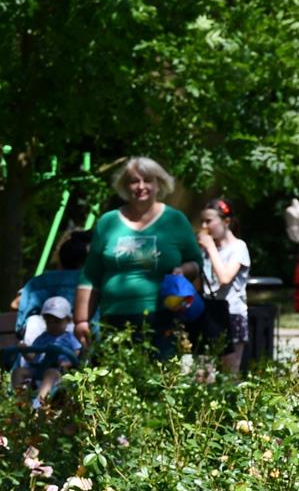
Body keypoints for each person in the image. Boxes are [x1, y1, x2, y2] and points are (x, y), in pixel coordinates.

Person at [74, 157, 201, 356]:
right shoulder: (107, 222)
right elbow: (91, 274)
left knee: (159, 374)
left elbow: (197, 263)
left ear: (159, 183)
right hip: (114, 319)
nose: (141, 186)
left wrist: (184, 270)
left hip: (163, 318)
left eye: (148, 180)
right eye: (134, 181)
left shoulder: (175, 220)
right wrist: (81, 320)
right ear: (125, 186)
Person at [197, 198, 250, 374]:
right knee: (203, 374)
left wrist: (211, 248)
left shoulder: (238, 247)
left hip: (232, 314)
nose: (204, 226)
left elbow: (225, 278)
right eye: (202, 221)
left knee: (229, 376)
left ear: (226, 221)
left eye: (209, 221)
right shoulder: (206, 249)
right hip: (209, 313)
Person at [11, 295, 81, 408]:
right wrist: (24, 350)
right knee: (18, 372)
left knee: (50, 374)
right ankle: (20, 402)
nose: (52, 325)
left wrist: (66, 363)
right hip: (39, 368)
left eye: (57, 321)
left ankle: (38, 404)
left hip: (59, 370)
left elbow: (76, 353)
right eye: (49, 321)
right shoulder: (42, 338)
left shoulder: (69, 338)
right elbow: (32, 357)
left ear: (68, 320)